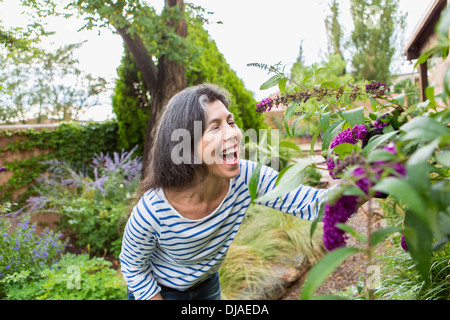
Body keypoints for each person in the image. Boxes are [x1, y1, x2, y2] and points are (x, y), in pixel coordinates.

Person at [120, 83, 337, 300]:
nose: (232, 133)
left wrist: (366, 179)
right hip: (157, 291)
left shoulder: (247, 178)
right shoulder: (153, 210)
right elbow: (133, 267)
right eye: (215, 127)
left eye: (230, 122)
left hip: (207, 285)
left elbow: (316, 204)